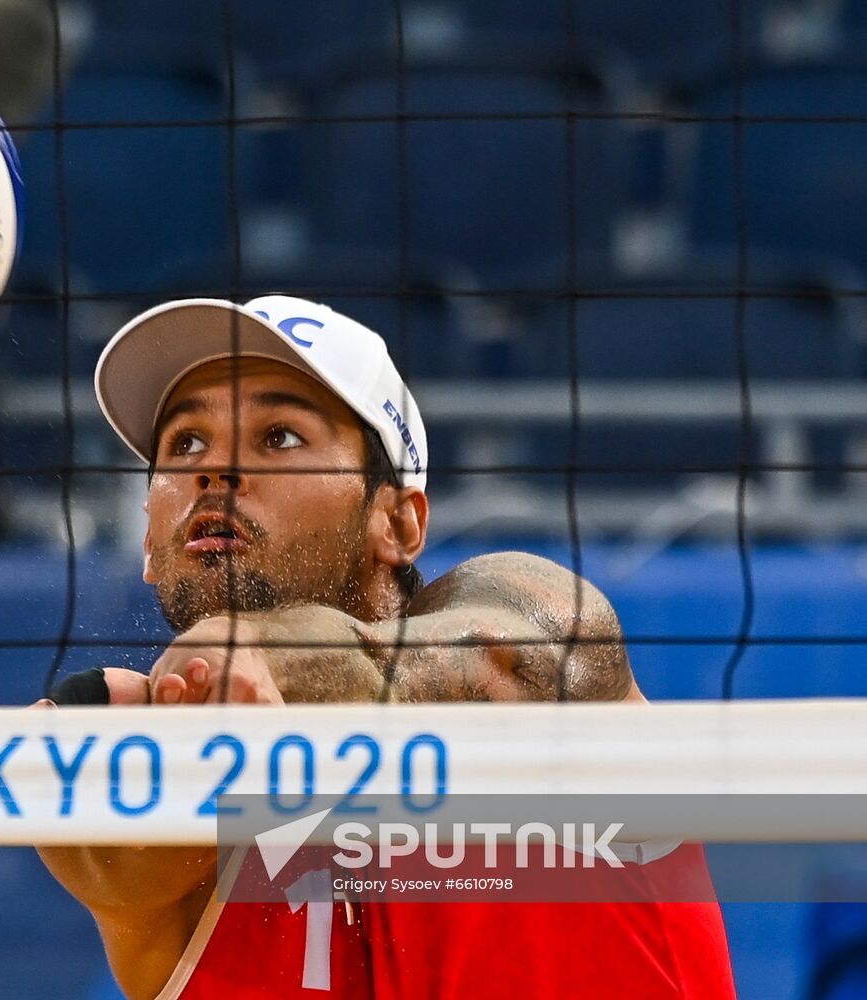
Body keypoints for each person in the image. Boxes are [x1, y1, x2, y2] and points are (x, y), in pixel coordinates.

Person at [36, 294, 736, 998]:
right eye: (186, 443)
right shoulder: (164, 816)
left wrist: (247, 650)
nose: (214, 471)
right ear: (149, 546)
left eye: (280, 436)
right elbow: (118, 855)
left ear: (398, 522)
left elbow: (458, 664)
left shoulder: (523, 623)